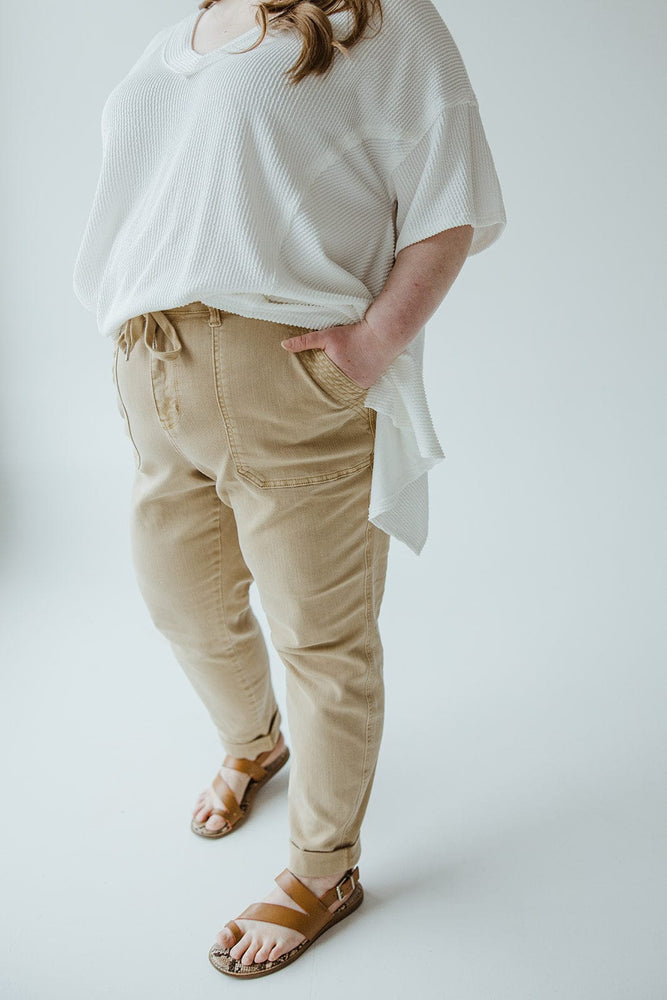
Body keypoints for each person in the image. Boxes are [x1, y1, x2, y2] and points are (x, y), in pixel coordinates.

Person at [72, 0, 506, 980]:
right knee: (180, 603)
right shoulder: (183, 32)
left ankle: (323, 868)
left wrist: (373, 344)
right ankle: (254, 743)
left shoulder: (378, 18)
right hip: (154, 367)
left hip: (289, 379)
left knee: (321, 637)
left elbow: (450, 195)